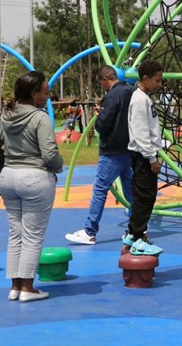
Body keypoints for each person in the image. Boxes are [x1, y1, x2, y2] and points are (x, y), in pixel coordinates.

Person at [0, 71, 64, 303]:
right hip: (35, 179)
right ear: (33, 93)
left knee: (15, 233)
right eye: (45, 92)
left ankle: (15, 287)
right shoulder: (40, 118)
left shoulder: (3, 114)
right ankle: (28, 288)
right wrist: (60, 165)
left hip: (8, 177)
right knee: (33, 235)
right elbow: (50, 155)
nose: (48, 97)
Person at [65, 66, 136, 245]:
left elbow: (103, 125)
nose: (101, 86)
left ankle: (89, 231)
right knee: (130, 191)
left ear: (105, 79)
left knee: (100, 190)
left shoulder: (112, 96)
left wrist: (101, 114)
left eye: (100, 83)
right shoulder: (132, 92)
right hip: (129, 149)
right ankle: (138, 229)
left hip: (112, 151)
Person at [124, 59, 167, 256]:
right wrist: (152, 158)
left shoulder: (144, 98)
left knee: (143, 195)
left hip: (144, 154)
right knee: (145, 196)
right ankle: (138, 238)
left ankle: (132, 233)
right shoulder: (140, 99)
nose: (159, 84)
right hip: (143, 156)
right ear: (145, 79)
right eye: (157, 81)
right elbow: (141, 134)